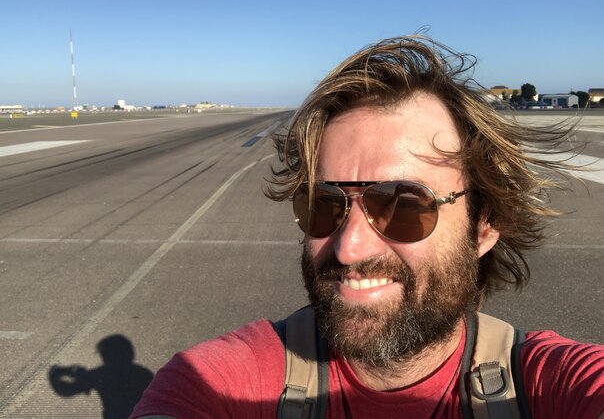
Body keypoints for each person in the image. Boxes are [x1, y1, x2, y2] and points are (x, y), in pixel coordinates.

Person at [130, 36, 603, 418]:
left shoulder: (552, 385)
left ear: (484, 226)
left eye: (404, 205)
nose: (349, 248)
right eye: (322, 204)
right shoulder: (218, 381)